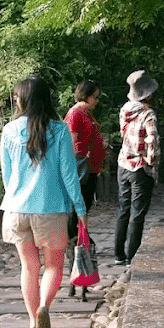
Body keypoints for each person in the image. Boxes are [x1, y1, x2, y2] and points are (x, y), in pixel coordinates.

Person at [0, 76, 87, 328]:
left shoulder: (9, 131)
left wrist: (15, 196)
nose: (15, 100)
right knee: (52, 267)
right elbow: (70, 174)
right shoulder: (59, 131)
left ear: (24, 99)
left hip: (16, 209)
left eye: (17, 96)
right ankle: (43, 308)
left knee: (28, 266)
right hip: (50, 209)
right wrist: (80, 210)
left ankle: (30, 323)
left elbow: (7, 175)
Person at [114, 70, 160, 265]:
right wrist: (152, 161)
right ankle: (133, 255)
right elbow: (152, 139)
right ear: (148, 94)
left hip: (123, 164)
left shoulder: (125, 109)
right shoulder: (148, 114)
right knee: (138, 213)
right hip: (140, 167)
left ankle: (118, 254)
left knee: (123, 209)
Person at [64, 79, 106, 241]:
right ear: (86, 96)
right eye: (95, 97)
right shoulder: (75, 113)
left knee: (85, 203)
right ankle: (73, 237)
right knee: (78, 205)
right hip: (81, 167)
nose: (96, 100)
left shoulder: (86, 113)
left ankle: (79, 236)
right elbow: (71, 140)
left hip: (90, 167)